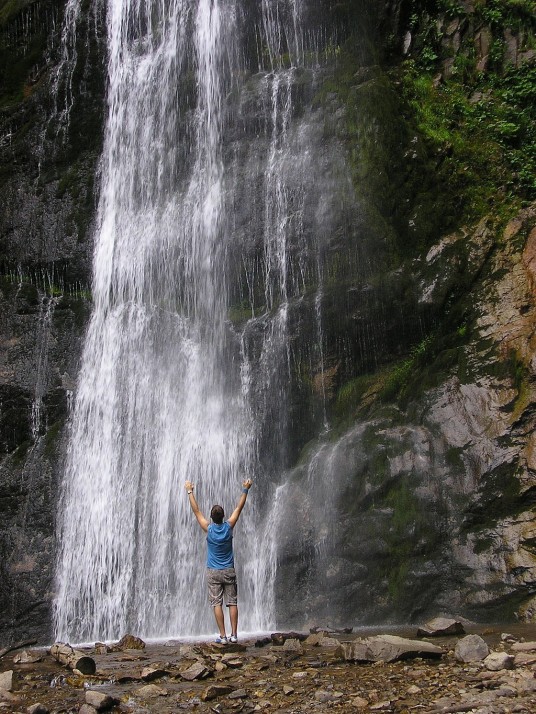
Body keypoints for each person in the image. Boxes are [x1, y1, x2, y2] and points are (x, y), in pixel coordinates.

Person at [185, 478, 252, 644]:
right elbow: (239, 508)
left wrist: (189, 491)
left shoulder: (208, 529)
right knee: (232, 602)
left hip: (213, 572)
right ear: (223, 516)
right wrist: (245, 489)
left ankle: (222, 636)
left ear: (211, 517)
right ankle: (234, 635)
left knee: (217, 604)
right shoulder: (229, 527)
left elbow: (196, 511)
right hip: (228, 570)